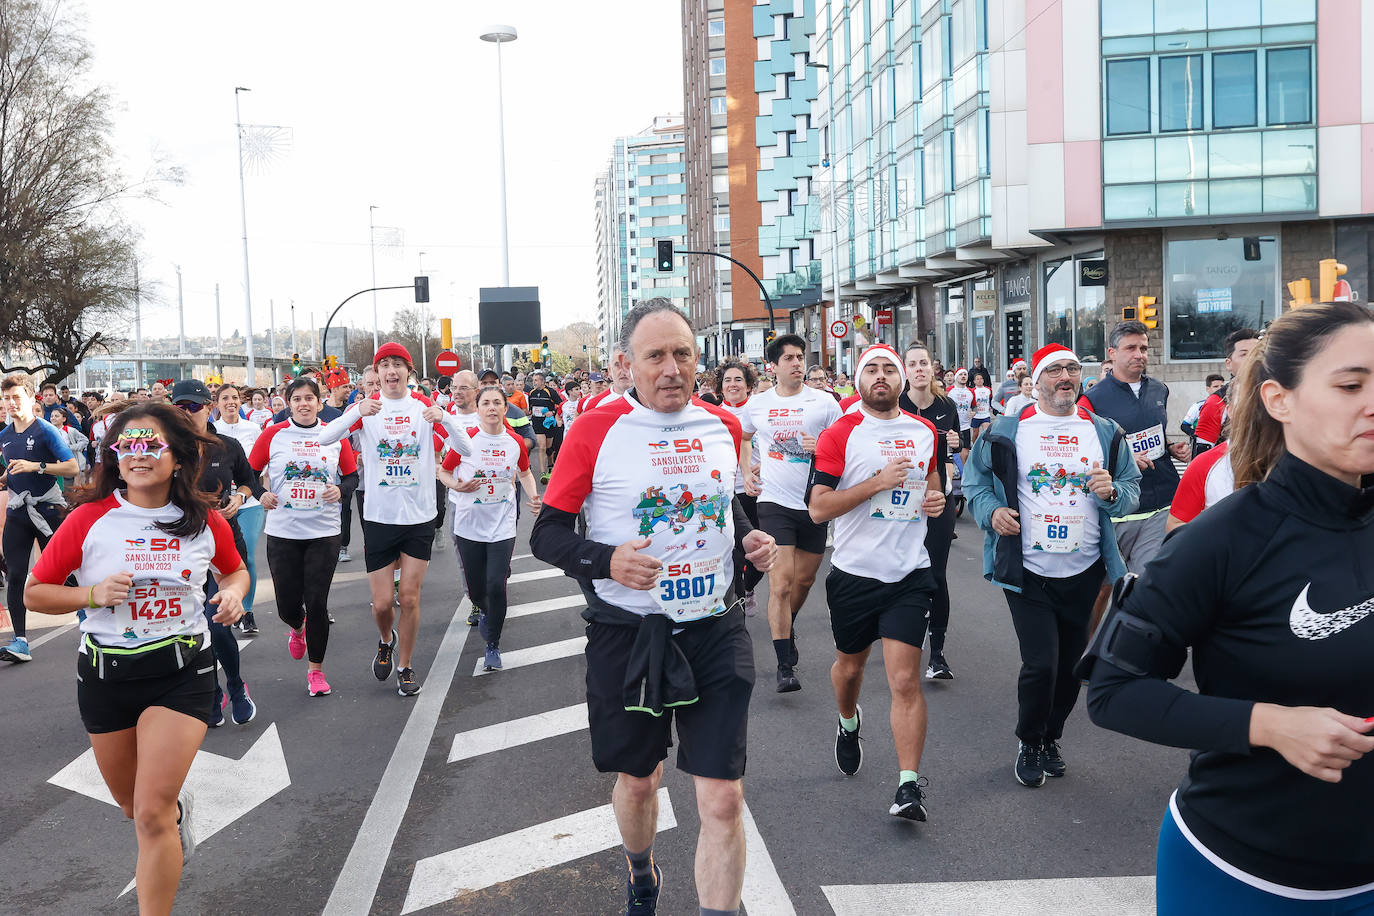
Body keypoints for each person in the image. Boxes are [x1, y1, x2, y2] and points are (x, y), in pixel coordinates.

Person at [1085, 301, 1374, 914]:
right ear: (1279, 399)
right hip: (1239, 876)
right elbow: (1113, 692)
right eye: (1351, 384)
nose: (1371, 401)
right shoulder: (1219, 540)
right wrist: (1269, 726)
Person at [530, 297, 778, 916]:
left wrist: (748, 538)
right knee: (641, 781)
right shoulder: (594, 429)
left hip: (714, 627)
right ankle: (642, 870)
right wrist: (605, 559)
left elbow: (723, 502)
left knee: (722, 797)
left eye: (683, 354)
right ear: (627, 364)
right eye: (656, 355)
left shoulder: (723, 425)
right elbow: (547, 533)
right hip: (629, 632)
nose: (672, 368)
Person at [25, 402, 248, 916]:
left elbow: (234, 572)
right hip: (106, 677)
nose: (138, 455)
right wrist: (91, 596)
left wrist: (234, 594)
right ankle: (176, 813)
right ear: (114, 455)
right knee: (135, 808)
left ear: (178, 457)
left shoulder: (203, 520)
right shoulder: (89, 519)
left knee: (150, 814)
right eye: (128, 446)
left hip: (182, 672)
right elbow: (36, 593)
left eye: (151, 446)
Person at [963, 343, 1140, 788]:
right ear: (1036, 380)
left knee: (1070, 667)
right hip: (1027, 569)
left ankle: (1050, 738)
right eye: (1056, 369)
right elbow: (975, 481)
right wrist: (991, 513)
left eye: (1073, 369)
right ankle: (1028, 740)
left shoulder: (1104, 431)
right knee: (1041, 663)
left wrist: (1113, 492)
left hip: (1085, 569)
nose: (1066, 376)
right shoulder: (1007, 430)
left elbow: (1133, 487)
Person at [808, 344, 945, 820]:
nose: (882, 376)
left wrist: (936, 501)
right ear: (858, 379)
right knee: (849, 670)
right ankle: (849, 722)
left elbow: (933, 484)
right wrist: (877, 483)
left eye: (891, 368)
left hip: (909, 572)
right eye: (872, 369)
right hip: (854, 574)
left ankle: (909, 786)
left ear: (904, 379)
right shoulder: (840, 432)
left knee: (905, 679)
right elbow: (818, 507)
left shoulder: (925, 431)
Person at [317, 342, 472, 697]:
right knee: (383, 603)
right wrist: (355, 412)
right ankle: (385, 639)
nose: (391, 371)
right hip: (380, 518)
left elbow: (466, 450)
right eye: (384, 365)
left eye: (397, 364)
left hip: (418, 517)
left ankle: (405, 665)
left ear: (408, 371)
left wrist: (444, 417)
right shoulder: (367, 410)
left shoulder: (424, 408)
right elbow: (325, 437)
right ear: (378, 373)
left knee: (411, 599)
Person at [739, 332, 843, 692]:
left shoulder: (825, 403)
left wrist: (825, 446)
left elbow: (845, 445)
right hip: (774, 502)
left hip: (815, 503)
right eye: (790, 359)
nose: (797, 363)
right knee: (780, 582)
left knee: (803, 581)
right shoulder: (758, 404)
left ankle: (789, 622)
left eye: (800, 357)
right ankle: (785, 665)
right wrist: (745, 472)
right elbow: (745, 436)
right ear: (774, 365)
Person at [251, 377, 358, 696]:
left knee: (317, 601)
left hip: (323, 531)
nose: (303, 404)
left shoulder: (335, 435)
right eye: (296, 398)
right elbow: (248, 472)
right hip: (283, 531)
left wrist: (339, 490)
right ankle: (297, 629)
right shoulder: (273, 434)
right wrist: (261, 494)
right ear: (287, 402)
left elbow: (351, 477)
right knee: (286, 606)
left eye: (309, 398)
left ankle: (316, 671)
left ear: (320, 401)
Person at [1082, 320, 1191, 632]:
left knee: (1143, 587)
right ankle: (1083, 651)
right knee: (1102, 589)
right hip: (1118, 512)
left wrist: (1171, 449)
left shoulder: (1159, 389)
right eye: (1131, 348)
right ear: (1112, 353)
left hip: (1160, 505)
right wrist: (1126, 460)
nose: (1139, 354)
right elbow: (1086, 454)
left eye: (1143, 348)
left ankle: (1122, 654)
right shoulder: (1093, 399)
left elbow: (1153, 434)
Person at [172, 379, 263, 727]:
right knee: (194, 629)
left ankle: (236, 688)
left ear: (207, 409)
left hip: (224, 542)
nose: (187, 412)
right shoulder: (165, 450)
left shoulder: (227, 445)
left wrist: (239, 498)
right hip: (179, 550)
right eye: (179, 406)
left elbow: (249, 482)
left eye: (193, 406)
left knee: (219, 623)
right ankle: (211, 692)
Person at [439, 385, 541, 671]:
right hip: (469, 526)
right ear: (479, 408)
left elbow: (525, 472)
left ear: (505, 409)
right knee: (475, 589)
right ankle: (485, 612)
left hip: (502, 526)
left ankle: (492, 644)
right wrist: (457, 485)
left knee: (497, 584)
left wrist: (533, 496)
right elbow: (444, 472)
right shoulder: (466, 442)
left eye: (498, 403)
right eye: (487, 403)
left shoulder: (515, 442)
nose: (492, 408)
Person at [0, 374, 79, 662]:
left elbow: (71, 468)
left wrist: (37, 466)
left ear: (32, 399)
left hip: (48, 511)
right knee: (16, 575)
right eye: (6, 398)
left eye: (16, 397)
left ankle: (90, 619)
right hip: (18, 513)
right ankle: (20, 641)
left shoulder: (45, 430)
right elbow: (12, 468)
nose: (10, 403)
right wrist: (4, 477)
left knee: (69, 574)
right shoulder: (4, 436)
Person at [900, 343, 962, 680]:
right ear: (905, 371)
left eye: (924, 363)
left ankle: (937, 654)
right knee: (901, 572)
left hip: (937, 499)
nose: (919, 369)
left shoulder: (946, 404)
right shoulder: (896, 404)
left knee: (936, 574)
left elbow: (957, 446)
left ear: (932, 368)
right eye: (913, 364)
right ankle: (898, 636)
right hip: (900, 502)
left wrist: (956, 444)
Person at [212, 384, 266, 635]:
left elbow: (260, 465)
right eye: (225, 398)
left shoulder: (253, 428)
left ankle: (246, 611)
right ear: (217, 403)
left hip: (249, 502)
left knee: (247, 557)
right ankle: (225, 604)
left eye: (235, 398)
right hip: (218, 508)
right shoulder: (212, 433)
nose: (231, 402)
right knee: (220, 560)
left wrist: (248, 494)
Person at [718, 359, 763, 616]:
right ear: (720, 387)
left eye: (738, 380)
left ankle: (748, 586)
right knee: (734, 550)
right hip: (728, 491)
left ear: (748, 385)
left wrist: (764, 465)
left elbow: (776, 445)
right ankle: (737, 595)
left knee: (763, 548)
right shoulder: (711, 415)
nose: (733, 385)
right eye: (727, 380)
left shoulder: (759, 410)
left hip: (757, 490)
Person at [1193, 328, 1260, 456]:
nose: (1253, 359)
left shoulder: (1276, 395)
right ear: (1229, 364)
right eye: (1244, 354)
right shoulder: (1216, 403)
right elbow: (1201, 457)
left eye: (1257, 353)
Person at [339, 366, 380, 563]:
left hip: (395, 481)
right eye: (370, 384)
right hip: (364, 480)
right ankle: (375, 566)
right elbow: (341, 441)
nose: (374, 388)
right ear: (362, 386)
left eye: (378, 383)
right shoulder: (352, 410)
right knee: (370, 528)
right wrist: (356, 456)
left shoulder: (399, 408)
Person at [526, 370, 564, 484]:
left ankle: (550, 466)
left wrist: (552, 412)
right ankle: (543, 473)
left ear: (542, 381)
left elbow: (561, 405)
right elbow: (531, 408)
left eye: (536, 380)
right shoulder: (532, 393)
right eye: (533, 381)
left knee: (549, 448)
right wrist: (530, 412)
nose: (534, 383)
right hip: (537, 423)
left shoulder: (550, 392)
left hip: (549, 423)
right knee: (541, 447)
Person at [1179, 373, 1225, 441]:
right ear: (1208, 389)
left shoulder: (1228, 405)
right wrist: (1198, 437)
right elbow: (1184, 426)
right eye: (1216, 386)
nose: (1219, 389)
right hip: (1203, 446)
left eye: (1222, 386)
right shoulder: (1197, 406)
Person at [947, 368, 974, 460]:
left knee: (965, 453)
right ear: (956, 377)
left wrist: (974, 412)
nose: (963, 376)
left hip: (966, 426)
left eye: (965, 374)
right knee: (953, 452)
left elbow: (974, 406)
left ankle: (963, 473)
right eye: (960, 374)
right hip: (952, 426)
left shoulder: (971, 392)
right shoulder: (949, 390)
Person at [969, 367, 994, 442]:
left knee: (986, 431)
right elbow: (970, 402)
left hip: (985, 415)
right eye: (977, 379)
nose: (979, 380)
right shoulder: (972, 391)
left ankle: (984, 447)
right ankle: (974, 446)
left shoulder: (988, 390)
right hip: (976, 415)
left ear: (983, 380)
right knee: (975, 433)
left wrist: (991, 407)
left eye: (981, 379)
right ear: (974, 381)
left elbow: (990, 399)